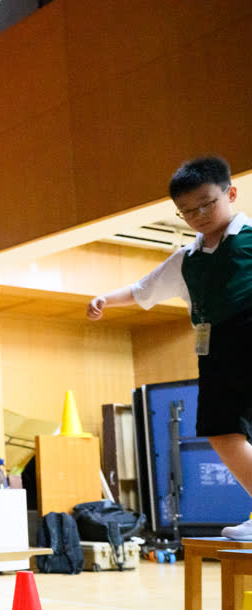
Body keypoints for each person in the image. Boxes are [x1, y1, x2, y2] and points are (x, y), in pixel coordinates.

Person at [87, 156, 252, 541]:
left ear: (230, 194)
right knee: (221, 432)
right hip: (215, 349)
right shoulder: (187, 260)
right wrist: (105, 299)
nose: (198, 216)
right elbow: (143, 289)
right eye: (187, 211)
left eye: (206, 204)